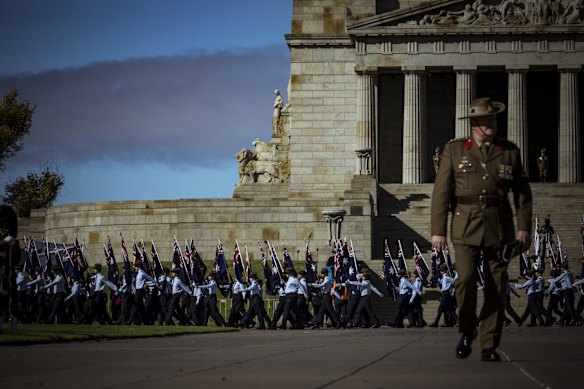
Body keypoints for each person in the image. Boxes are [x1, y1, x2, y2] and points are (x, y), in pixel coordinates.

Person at [431, 97, 532, 362]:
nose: (490, 124)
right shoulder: (455, 150)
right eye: (485, 120)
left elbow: (522, 193)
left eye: (493, 119)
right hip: (465, 225)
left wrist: (524, 228)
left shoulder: (509, 151)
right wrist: (438, 231)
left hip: (500, 226)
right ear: (474, 124)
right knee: (465, 279)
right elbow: (441, 193)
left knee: (497, 287)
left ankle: (489, 345)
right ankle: (466, 330)